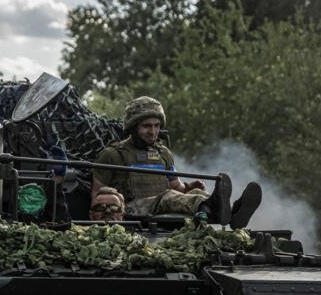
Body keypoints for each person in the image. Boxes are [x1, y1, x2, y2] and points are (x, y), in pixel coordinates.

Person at [91, 96, 261, 229]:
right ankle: (210, 206)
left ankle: (232, 214)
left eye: (157, 126)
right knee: (167, 197)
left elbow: (176, 187)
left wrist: (188, 188)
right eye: (146, 126)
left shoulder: (163, 153)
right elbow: (97, 196)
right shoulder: (113, 155)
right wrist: (102, 218)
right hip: (129, 209)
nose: (153, 131)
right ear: (133, 127)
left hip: (161, 205)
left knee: (195, 192)